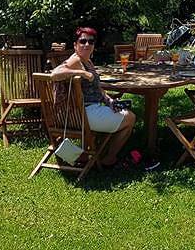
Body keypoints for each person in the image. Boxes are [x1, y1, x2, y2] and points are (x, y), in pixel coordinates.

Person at [51, 26, 136, 167]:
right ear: (75, 45)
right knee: (130, 118)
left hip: (87, 111)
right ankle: (109, 158)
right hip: (83, 115)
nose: (87, 44)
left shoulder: (87, 61)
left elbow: (97, 89)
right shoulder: (75, 60)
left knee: (122, 111)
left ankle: (91, 154)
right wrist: (82, 73)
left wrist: (109, 101)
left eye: (90, 42)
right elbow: (55, 73)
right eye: (82, 41)